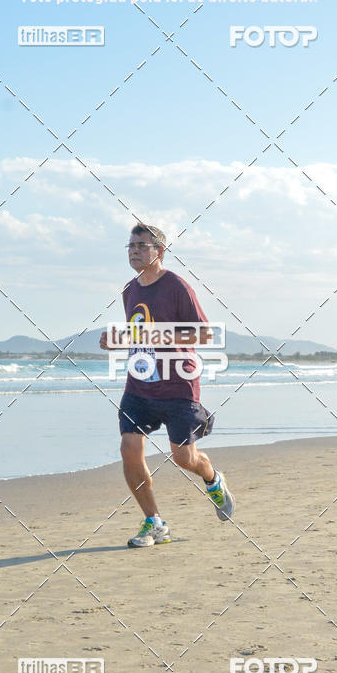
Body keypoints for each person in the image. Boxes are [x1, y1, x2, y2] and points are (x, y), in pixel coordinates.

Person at [99, 222, 235, 548]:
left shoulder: (178, 287)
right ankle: (155, 523)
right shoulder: (129, 290)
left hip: (179, 385)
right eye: (130, 246)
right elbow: (138, 336)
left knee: (183, 458)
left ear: (159, 251)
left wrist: (150, 336)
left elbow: (204, 334)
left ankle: (213, 479)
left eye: (141, 246)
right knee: (129, 450)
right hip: (139, 386)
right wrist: (118, 342)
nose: (134, 251)